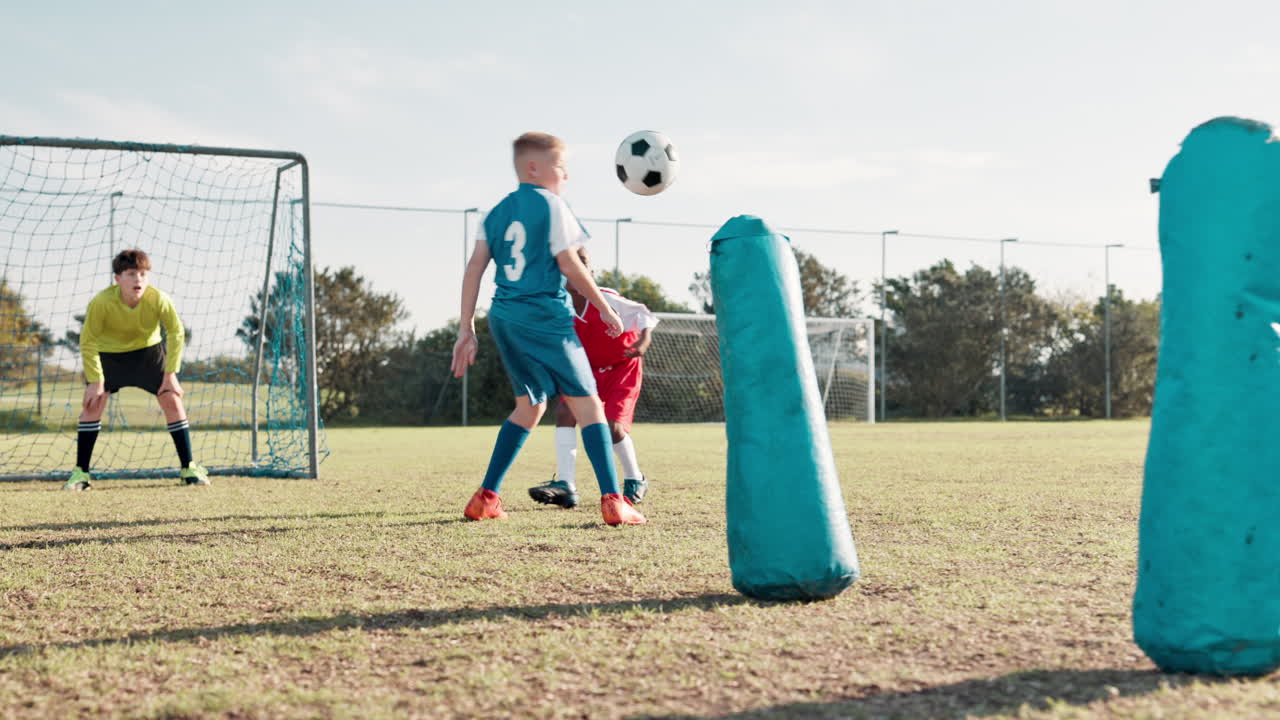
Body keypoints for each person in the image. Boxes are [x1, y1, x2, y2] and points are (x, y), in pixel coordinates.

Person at [450, 131, 646, 526]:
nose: (566, 176)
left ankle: (487, 497)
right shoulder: (553, 205)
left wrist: (465, 327)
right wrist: (604, 306)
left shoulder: (496, 212)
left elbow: (475, 267)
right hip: (545, 318)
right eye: (560, 167)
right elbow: (570, 264)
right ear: (533, 168)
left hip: (504, 318)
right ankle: (613, 500)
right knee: (589, 405)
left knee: (531, 405)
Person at [528, 246, 657, 510]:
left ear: (591, 273)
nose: (575, 270)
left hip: (622, 368)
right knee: (565, 411)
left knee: (612, 427)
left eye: (582, 263)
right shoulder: (558, 307)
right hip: (586, 370)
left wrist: (642, 343)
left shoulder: (607, 298)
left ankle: (635, 479)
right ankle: (566, 485)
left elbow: (644, 314)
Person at [68, 248, 208, 490]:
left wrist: (170, 374)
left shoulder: (159, 299)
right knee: (93, 404)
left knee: (172, 399)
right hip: (110, 355)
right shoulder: (101, 303)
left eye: (143, 274)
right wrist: (95, 380)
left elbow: (176, 332)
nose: (138, 279)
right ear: (118, 279)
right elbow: (88, 341)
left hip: (148, 354)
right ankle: (81, 474)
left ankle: (189, 469)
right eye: (131, 274)